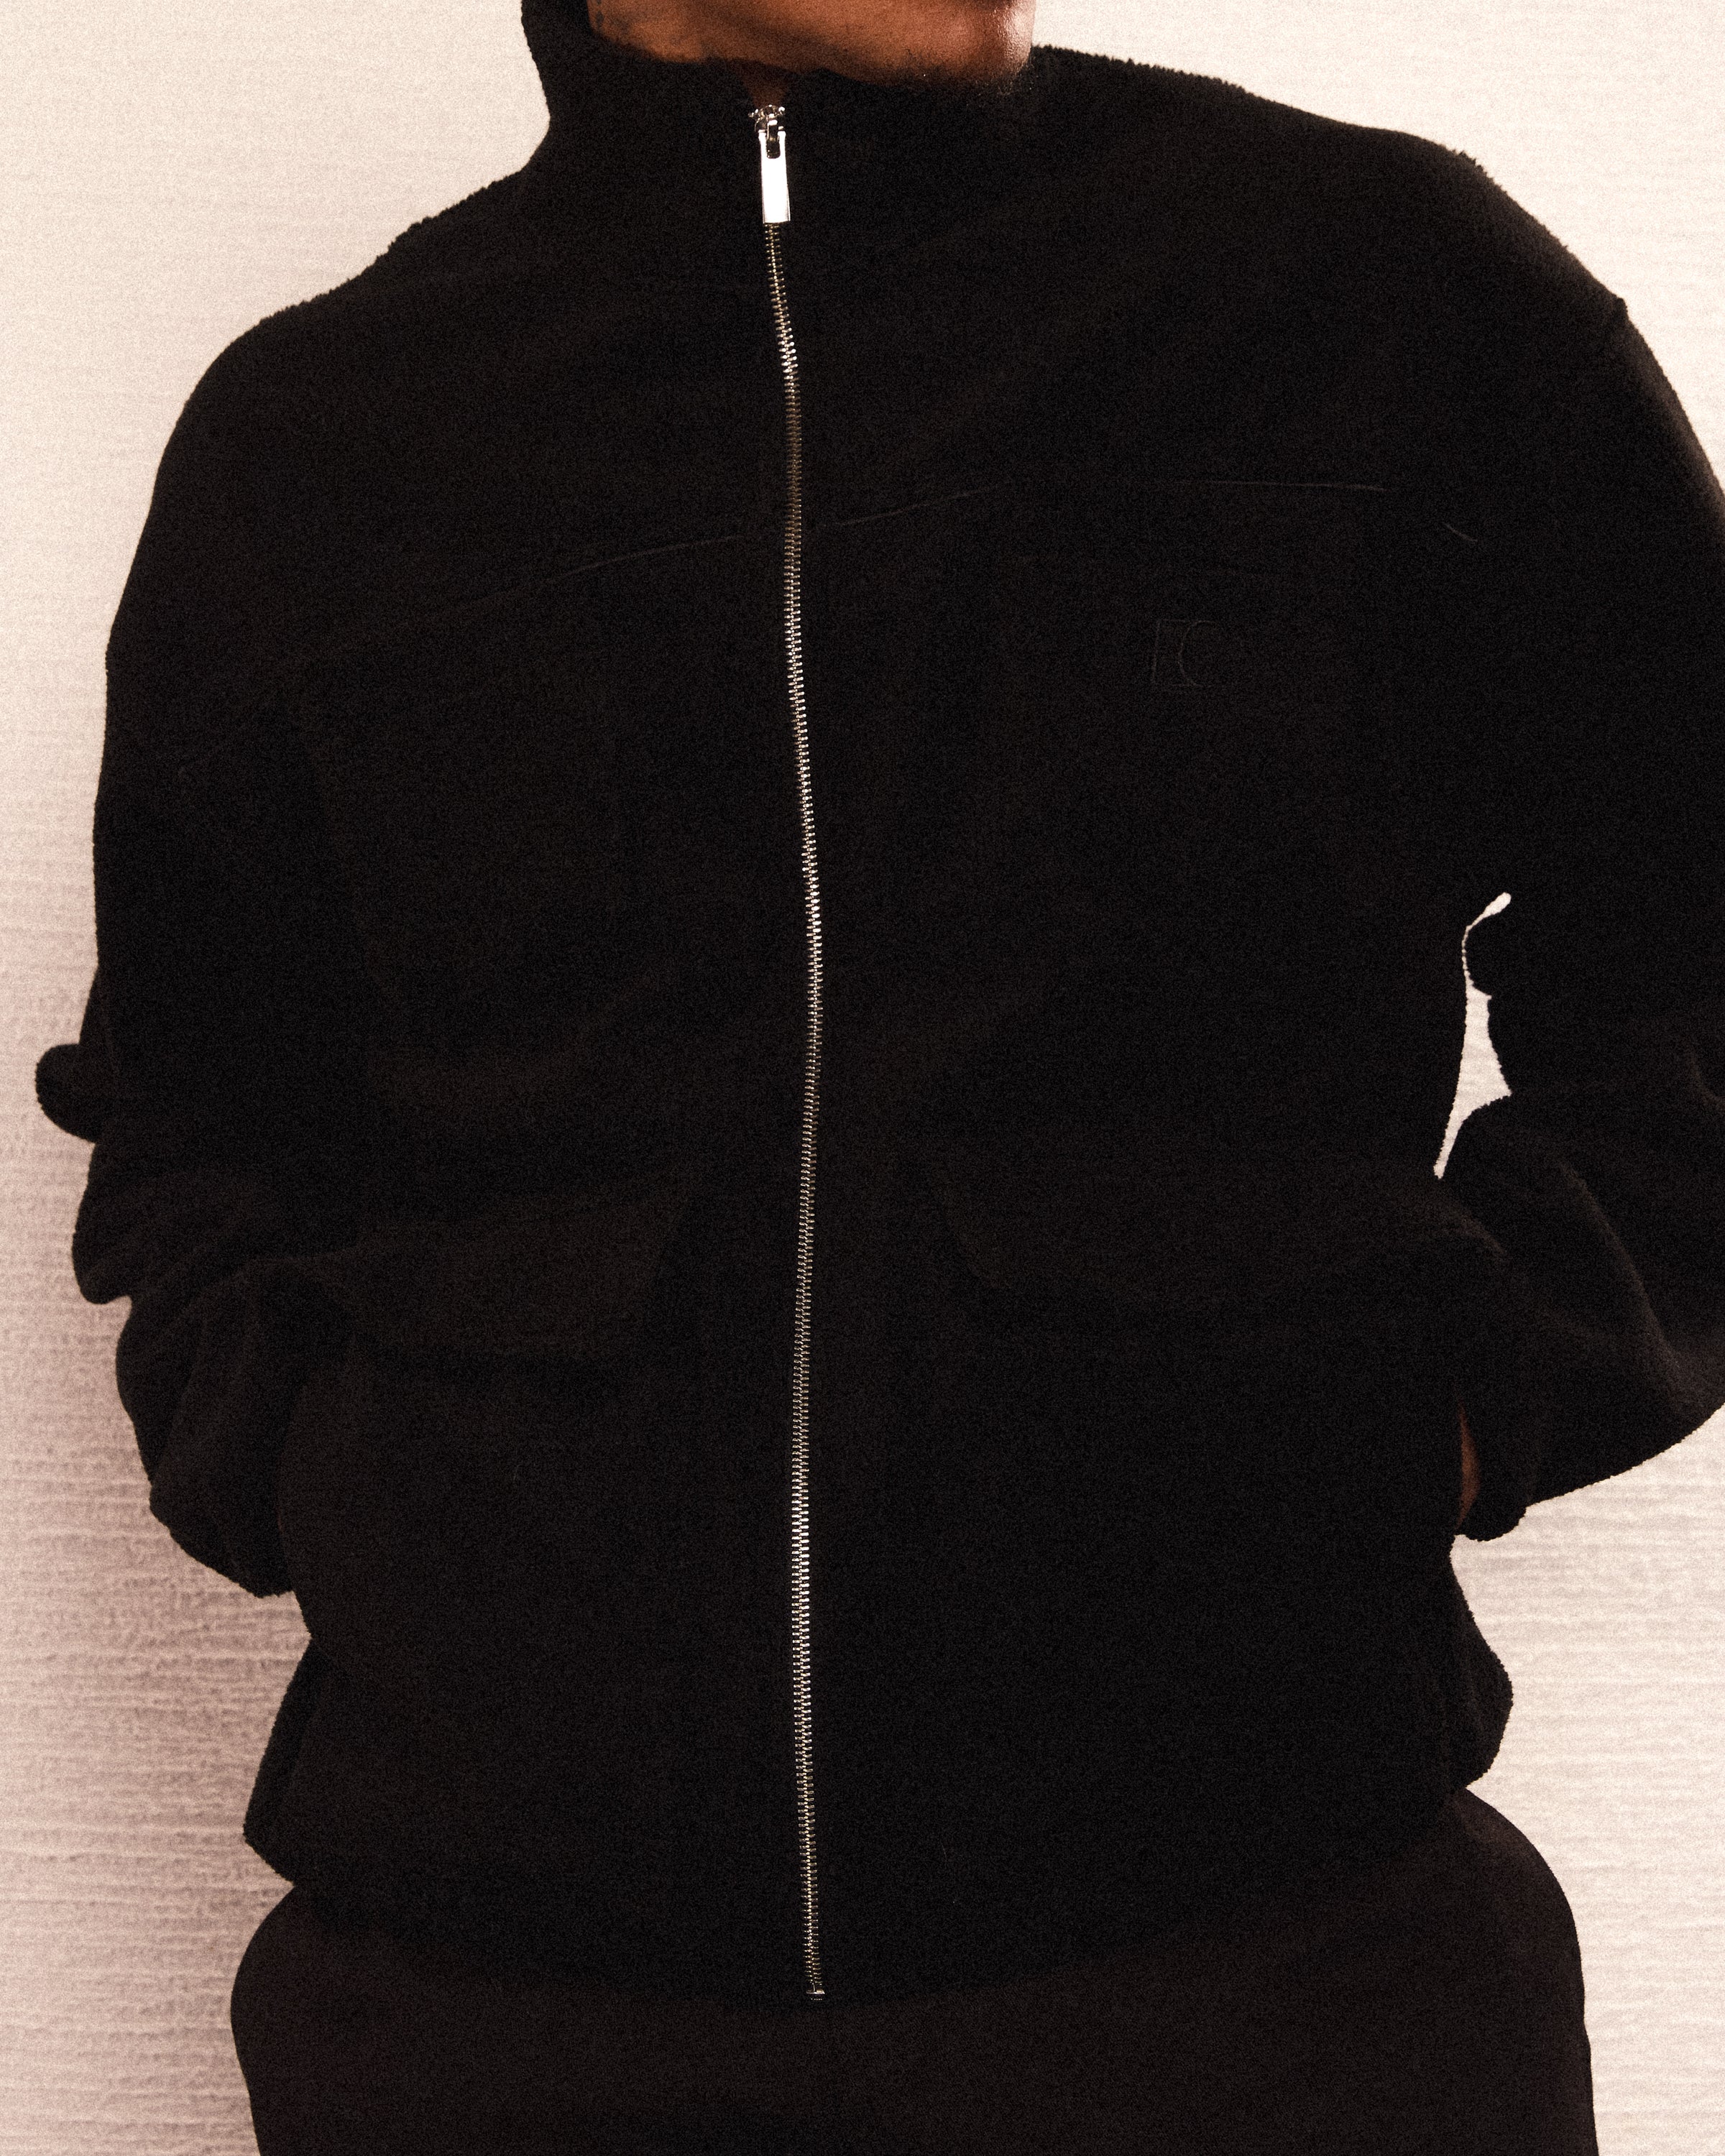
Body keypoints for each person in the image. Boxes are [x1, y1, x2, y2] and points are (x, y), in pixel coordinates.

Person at [33, 0, 1725, 2145]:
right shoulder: (319, 443)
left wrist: (1473, 1385)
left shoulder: (1382, 302)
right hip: (496, 2034)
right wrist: (340, 1480)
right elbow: (196, 1117)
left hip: (1292, 1984)